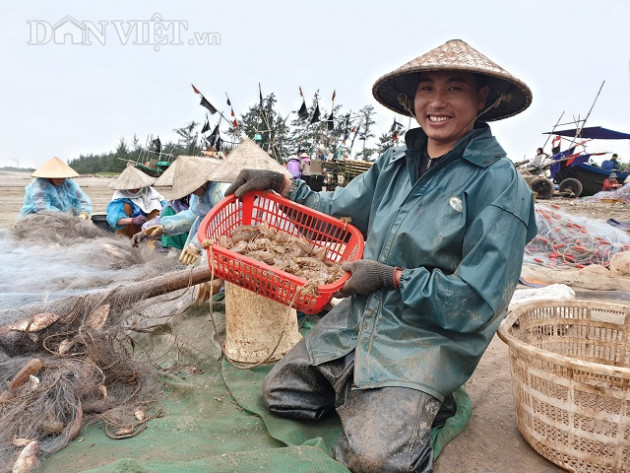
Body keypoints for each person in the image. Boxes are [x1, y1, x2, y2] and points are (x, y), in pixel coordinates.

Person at [224, 38, 537, 473]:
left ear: (481, 99)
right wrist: (283, 186)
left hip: (427, 337)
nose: (437, 102)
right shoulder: (394, 163)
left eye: (455, 89)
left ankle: (421, 399)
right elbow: (336, 211)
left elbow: (477, 301)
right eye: (427, 88)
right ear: (413, 99)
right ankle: (376, 396)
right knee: (280, 392)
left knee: (375, 459)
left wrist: (392, 278)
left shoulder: (500, 185)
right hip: (362, 318)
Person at [131, 156, 228, 302]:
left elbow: (224, 221)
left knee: (216, 274)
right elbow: (191, 215)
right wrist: (162, 226)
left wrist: (197, 243)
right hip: (205, 233)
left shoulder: (222, 190)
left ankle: (220, 295)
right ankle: (205, 295)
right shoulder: (198, 194)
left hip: (226, 236)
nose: (192, 193)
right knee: (197, 271)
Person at [19, 157, 92, 220]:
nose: (60, 179)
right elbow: (41, 207)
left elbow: (82, 199)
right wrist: (63, 217)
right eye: (56, 176)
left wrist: (84, 213)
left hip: (64, 215)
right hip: (39, 216)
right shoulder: (40, 186)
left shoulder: (69, 183)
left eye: (62, 177)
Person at [106, 165, 164, 238]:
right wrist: (132, 220)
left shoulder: (150, 193)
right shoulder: (120, 196)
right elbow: (112, 219)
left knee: (156, 207)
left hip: (147, 231)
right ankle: (123, 241)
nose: (134, 190)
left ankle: (151, 241)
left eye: (137, 187)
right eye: (131, 188)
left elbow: (165, 209)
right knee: (126, 206)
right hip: (129, 232)